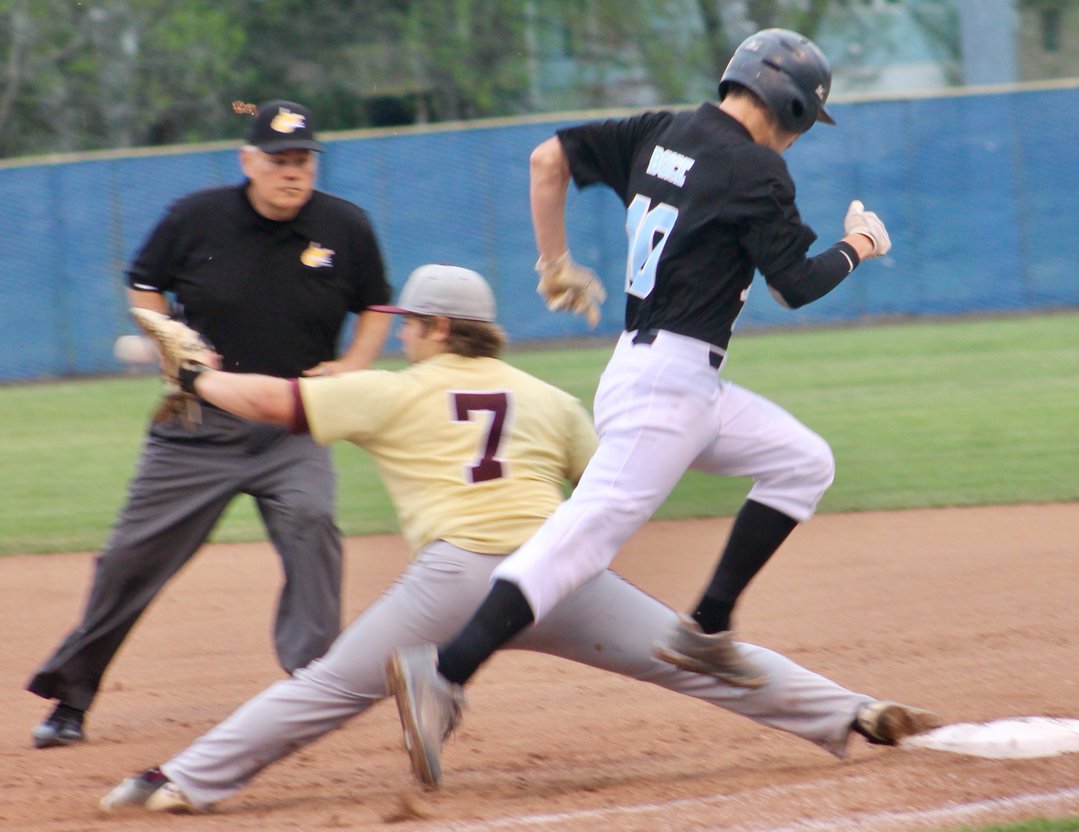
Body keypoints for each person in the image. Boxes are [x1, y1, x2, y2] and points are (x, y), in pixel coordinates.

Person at [99, 264, 934, 813]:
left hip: (453, 585)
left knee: (330, 687)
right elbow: (614, 484)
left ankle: (179, 782)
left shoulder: (393, 391)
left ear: (432, 326)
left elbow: (276, 402)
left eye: (409, 321)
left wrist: (201, 376)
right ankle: (852, 713)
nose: (400, 331)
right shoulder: (544, 398)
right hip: (556, 575)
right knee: (694, 654)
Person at [389, 29, 910, 786]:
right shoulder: (755, 169)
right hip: (664, 391)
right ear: (790, 107)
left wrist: (555, 262)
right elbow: (793, 284)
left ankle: (707, 627)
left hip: (673, 381)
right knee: (578, 542)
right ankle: (444, 673)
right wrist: (859, 245)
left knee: (802, 462)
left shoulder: (660, 130)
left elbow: (546, 160)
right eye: (803, 123)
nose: (797, 141)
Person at [27, 100, 394, 749]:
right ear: (248, 160)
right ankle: (71, 699)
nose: (292, 171)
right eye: (279, 160)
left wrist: (354, 362)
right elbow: (143, 281)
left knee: (313, 526)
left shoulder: (345, 225)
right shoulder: (198, 217)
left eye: (303, 159)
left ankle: (312, 687)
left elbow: (374, 303)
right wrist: (169, 341)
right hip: (196, 428)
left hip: (293, 425)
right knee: (130, 561)